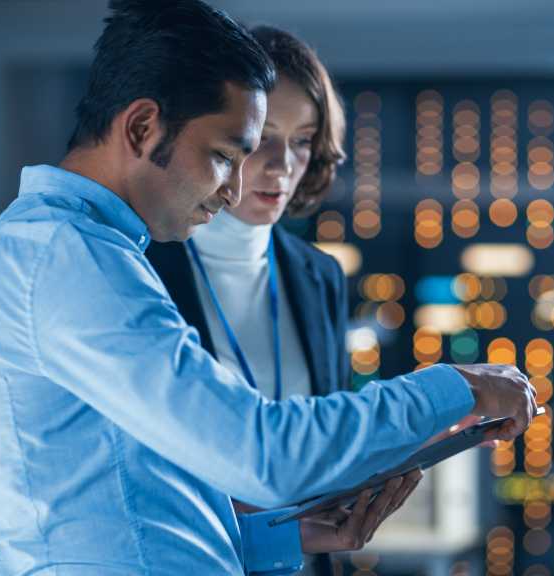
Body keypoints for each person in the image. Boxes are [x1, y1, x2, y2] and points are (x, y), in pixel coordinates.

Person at [0, 1, 538, 575]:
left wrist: (271, 536)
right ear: (143, 127)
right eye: (225, 155)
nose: (234, 190)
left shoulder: (90, 252)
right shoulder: (67, 258)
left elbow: (127, 518)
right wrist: (458, 387)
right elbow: (262, 454)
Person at [144, 25, 417, 574]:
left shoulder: (319, 275)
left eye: (301, 139)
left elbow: (325, 436)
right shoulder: (144, 263)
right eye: (261, 136)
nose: (282, 163)